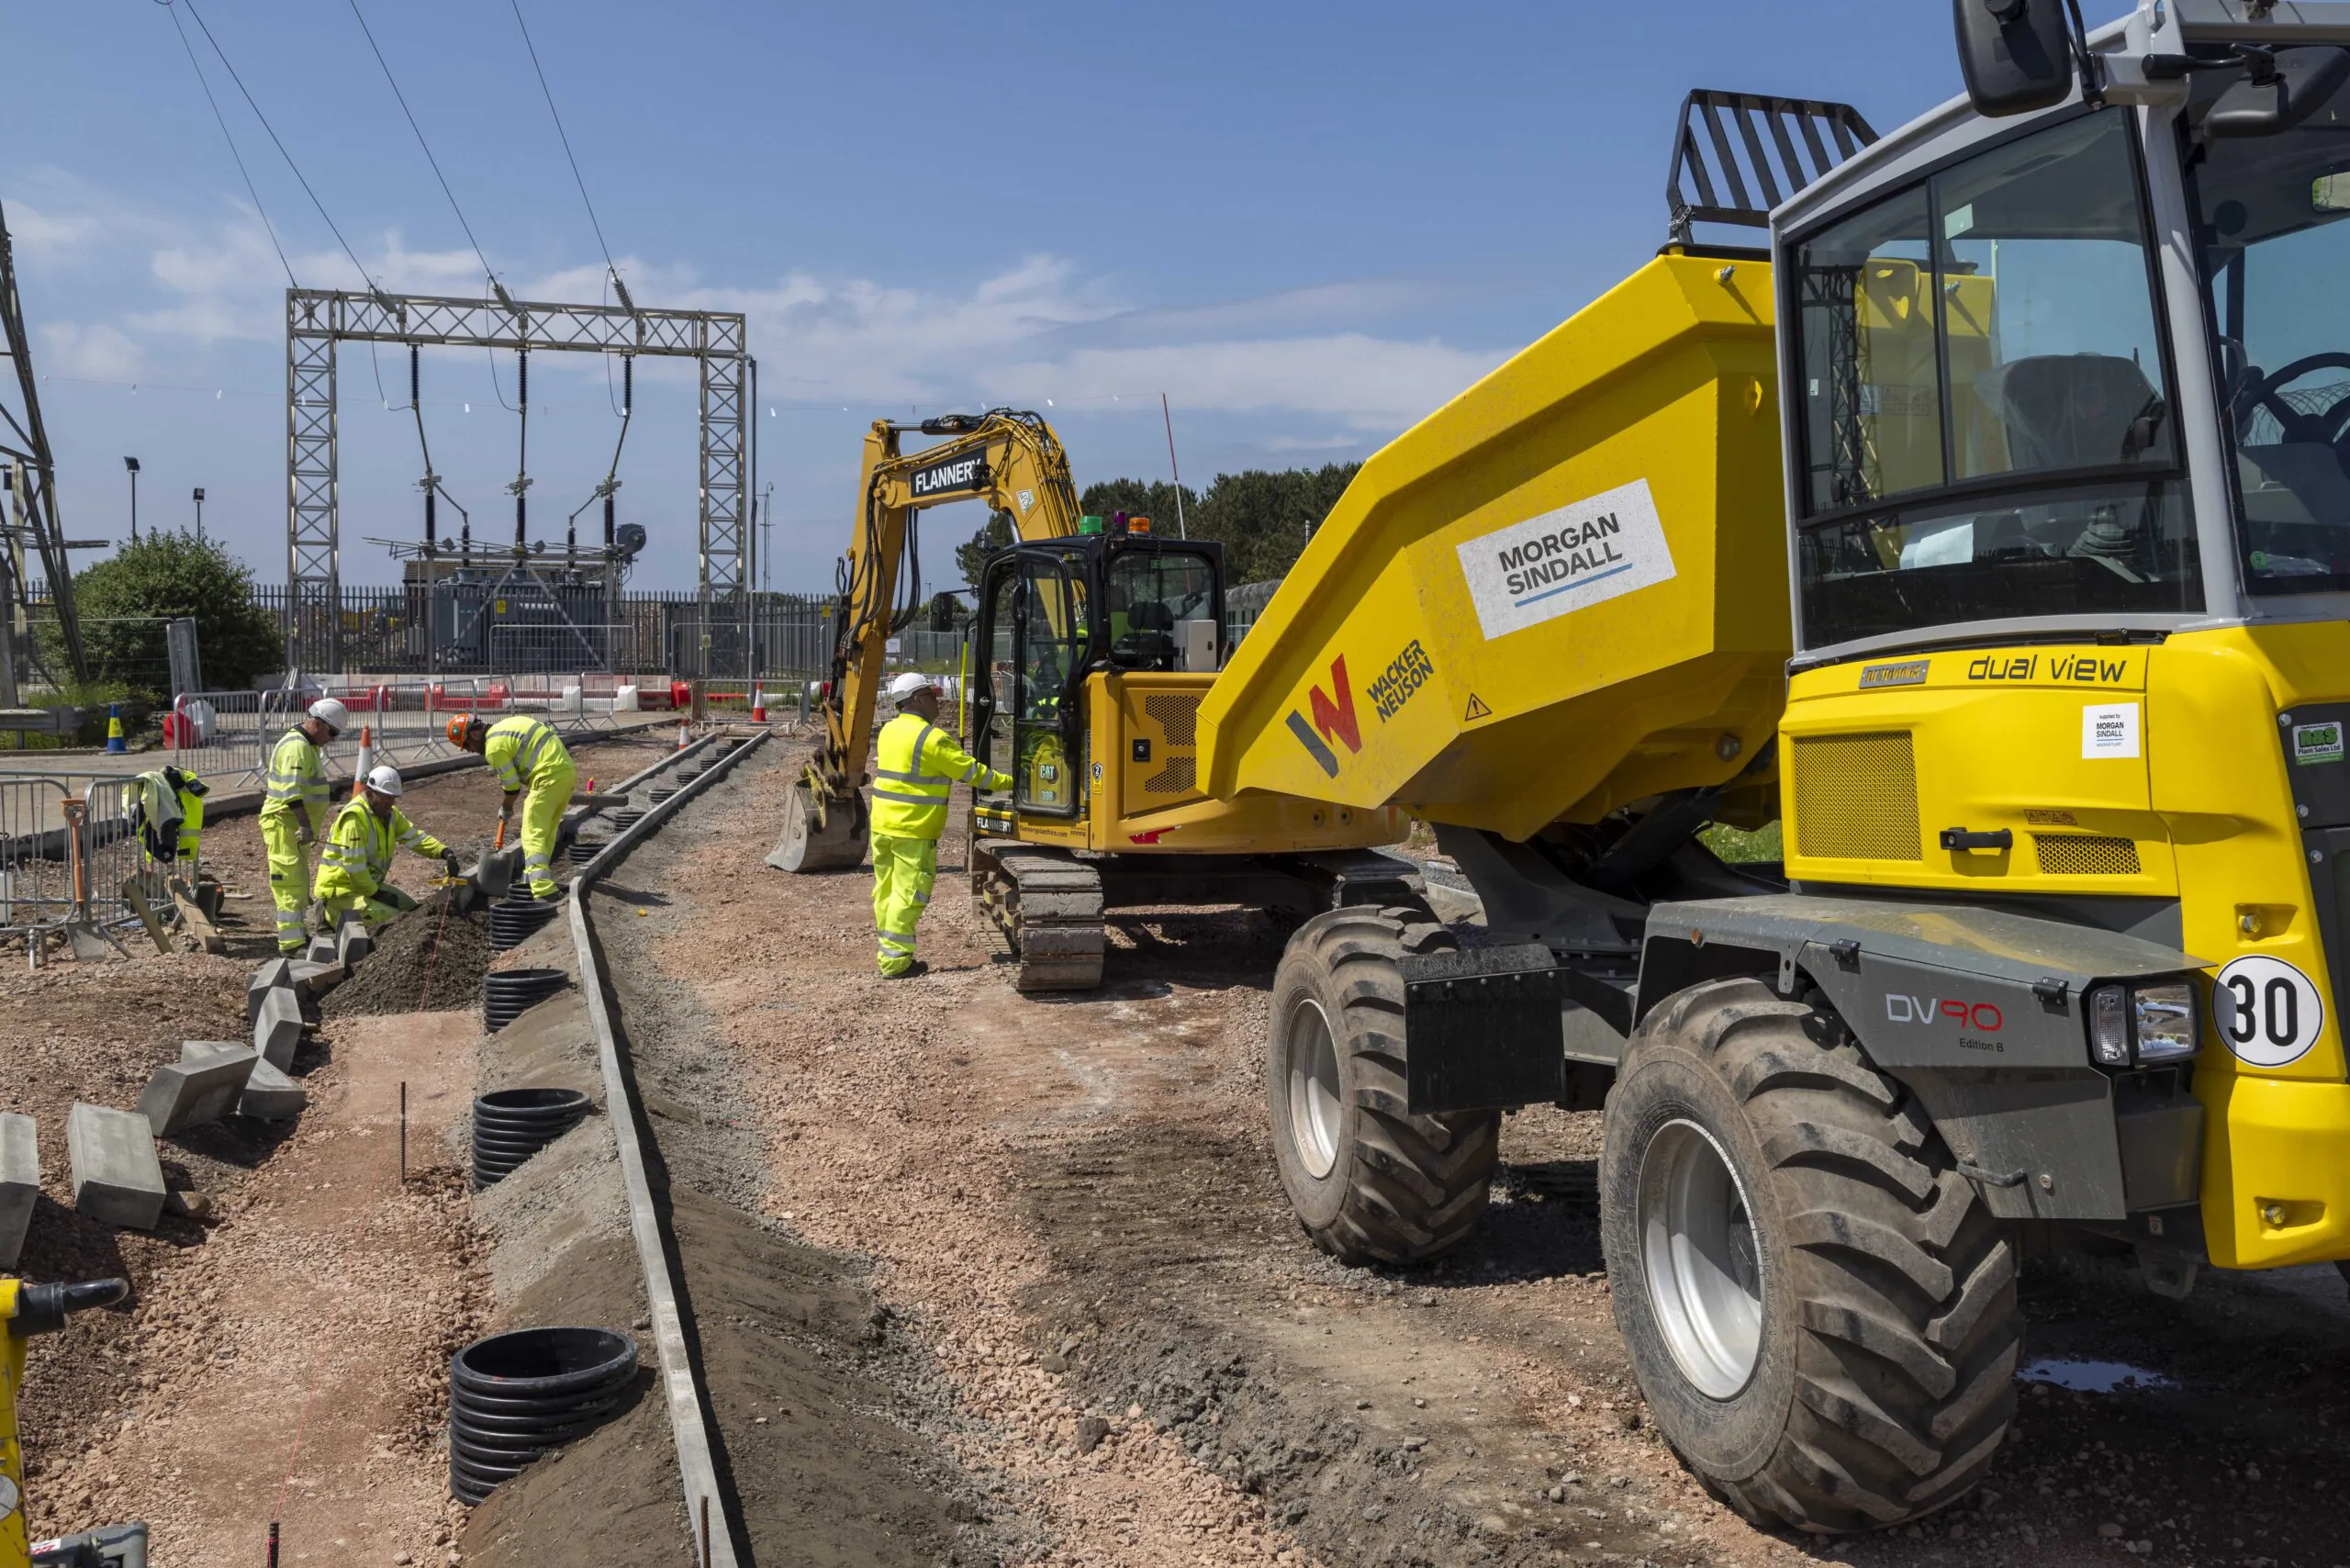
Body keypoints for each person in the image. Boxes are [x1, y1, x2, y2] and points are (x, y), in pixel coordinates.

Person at [870, 671, 1012, 980]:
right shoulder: (931, 739)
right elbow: (972, 773)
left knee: (887, 891)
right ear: (917, 699)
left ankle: (888, 951)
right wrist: (1013, 783)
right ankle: (895, 962)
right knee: (909, 894)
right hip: (913, 830)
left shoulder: (888, 731)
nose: (938, 700)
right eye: (932, 695)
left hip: (882, 826)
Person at [314, 764, 462, 931]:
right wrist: (377, 894)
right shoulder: (354, 819)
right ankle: (329, 915)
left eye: (393, 797)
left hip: (368, 886)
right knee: (399, 921)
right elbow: (354, 868)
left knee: (414, 911)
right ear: (370, 793)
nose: (391, 802)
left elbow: (414, 837)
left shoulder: (389, 814)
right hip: (342, 892)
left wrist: (444, 851)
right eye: (386, 798)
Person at [447, 713, 576, 899]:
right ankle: (533, 881)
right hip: (566, 774)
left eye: (466, 745)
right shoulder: (507, 725)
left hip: (547, 777)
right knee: (546, 832)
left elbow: (512, 787)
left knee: (532, 833)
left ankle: (541, 889)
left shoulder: (494, 747)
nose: (470, 750)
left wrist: (506, 809)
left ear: (474, 734)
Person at [260, 697, 347, 954]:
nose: (331, 739)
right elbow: (292, 794)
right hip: (284, 824)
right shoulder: (297, 748)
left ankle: (298, 934)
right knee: (289, 881)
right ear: (318, 724)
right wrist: (306, 826)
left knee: (298, 880)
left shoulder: (308, 746)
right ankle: (290, 943)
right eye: (331, 732)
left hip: (291, 827)